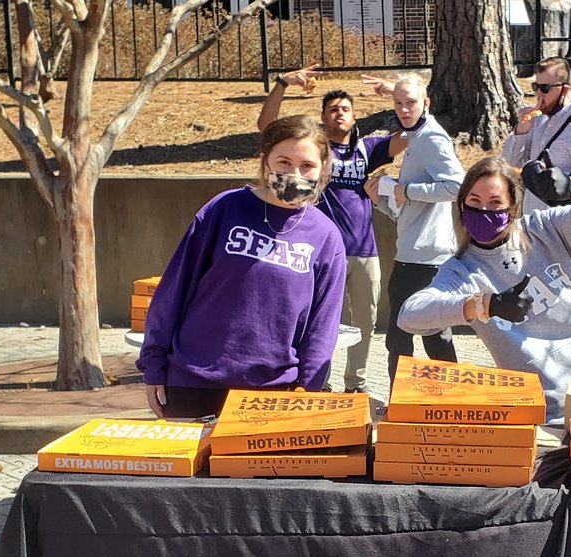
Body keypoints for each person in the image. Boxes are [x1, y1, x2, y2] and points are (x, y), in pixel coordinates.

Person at [397, 156, 571, 424]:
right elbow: (409, 315)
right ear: (461, 206)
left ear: (512, 208)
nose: (484, 209)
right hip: (552, 416)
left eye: (495, 202)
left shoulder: (548, 230)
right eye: (474, 201)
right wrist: (485, 305)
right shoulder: (461, 271)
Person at [137, 115, 347, 418]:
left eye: (307, 166)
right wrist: (154, 365)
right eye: (284, 162)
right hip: (193, 382)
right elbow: (175, 289)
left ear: (323, 168)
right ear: (265, 161)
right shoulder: (224, 208)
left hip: (272, 394)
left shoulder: (326, 236)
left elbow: (322, 326)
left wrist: (308, 388)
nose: (295, 173)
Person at [257, 66, 406, 395]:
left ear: (354, 118)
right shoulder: (315, 151)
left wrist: (400, 94)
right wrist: (282, 84)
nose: (339, 113)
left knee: (365, 323)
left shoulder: (368, 149)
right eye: (332, 109)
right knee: (319, 325)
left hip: (365, 252)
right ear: (323, 118)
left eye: (345, 109)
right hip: (321, 252)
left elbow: (413, 133)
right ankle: (317, 384)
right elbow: (267, 128)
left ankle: (357, 385)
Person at [362, 73, 463, 389]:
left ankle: (403, 404)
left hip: (425, 260)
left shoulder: (431, 138)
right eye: (399, 103)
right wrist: (380, 199)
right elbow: (408, 208)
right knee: (431, 335)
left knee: (402, 337)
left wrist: (407, 190)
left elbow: (457, 186)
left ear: (426, 103)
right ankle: (448, 398)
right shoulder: (415, 137)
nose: (404, 110)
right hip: (416, 254)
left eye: (411, 103)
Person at [502, 56, 571, 214]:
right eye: (535, 86)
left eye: (545, 88)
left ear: (565, 89)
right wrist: (522, 130)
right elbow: (512, 161)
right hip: (533, 220)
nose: (538, 94)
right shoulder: (538, 120)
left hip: (562, 223)